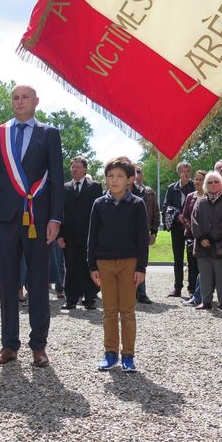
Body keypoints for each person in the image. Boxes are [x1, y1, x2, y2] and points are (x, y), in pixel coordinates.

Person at [0, 84, 64, 368]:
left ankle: (38, 346)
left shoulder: (49, 134)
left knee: (39, 282)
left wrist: (55, 219)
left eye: (25, 97)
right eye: (15, 98)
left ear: (36, 101)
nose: (19, 102)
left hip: (39, 220)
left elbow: (56, 179)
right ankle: (9, 345)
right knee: (7, 283)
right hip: (4, 220)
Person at [88, 157, 149, 373]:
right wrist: (92, 265)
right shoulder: (99, 204)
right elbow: (92, 236)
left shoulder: (137, 204)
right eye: (110, 176)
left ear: (130, 180)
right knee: (109, 311)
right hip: (104, 262)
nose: (114, 181)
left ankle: (128, 355)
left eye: (120, 176)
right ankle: (110, 353)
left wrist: (141, 267)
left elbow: (142, 238)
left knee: (127, 310)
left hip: (129, 263)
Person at [58, 156, 103, 311]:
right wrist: (60, 235)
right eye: (72, 167)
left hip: (89, 235)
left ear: (85, 169)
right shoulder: (65, 188)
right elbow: (61, 212)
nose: (74, 169)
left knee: (88, 265)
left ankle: (90, 298)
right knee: (70, 266)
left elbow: (99, 212)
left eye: (77, 167)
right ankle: (71, 299)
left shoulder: (95, 186)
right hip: (69, 235)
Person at [190, 171, 222, 310]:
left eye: (216, 181)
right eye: (210, 182)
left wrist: (210, 237)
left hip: (221, 245)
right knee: (205, 275)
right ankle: (206, 301)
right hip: (202, 246)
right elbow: (194, 221)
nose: (213, 184)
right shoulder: (200, 202)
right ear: (205, 185)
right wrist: (201, 237)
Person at [162, 161, 194, 297]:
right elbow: (165, 207)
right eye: (183, 171)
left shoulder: (194, 186)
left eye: (188, 171)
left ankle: (192, 288)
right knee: (178, 258)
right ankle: (177, 287)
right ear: (178, 173)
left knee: (192, 258)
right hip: (176, 227)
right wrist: (177, 215)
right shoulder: (172, 188)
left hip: (191, 228)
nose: (186, 174)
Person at [131, 162, 159, 304]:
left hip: (143, 232)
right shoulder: (123, 190)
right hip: (126, 233)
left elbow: (155, 213)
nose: (136, 174)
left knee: (141, 262)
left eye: (139, 171)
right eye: (134, 171)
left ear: (143, 175)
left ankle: (141, 293)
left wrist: (153, 232)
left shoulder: (149, 192)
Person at [180, 170, 206, 307]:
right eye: (196, 179)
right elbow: (185, 215)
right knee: (192, 266)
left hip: (206, 237)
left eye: (200, 179)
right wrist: (192, 228)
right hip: (191, 236)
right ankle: (193, 293)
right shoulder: (190, 196)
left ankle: (204, 294)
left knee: (204, 268)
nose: (197, 182)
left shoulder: (209, 195)